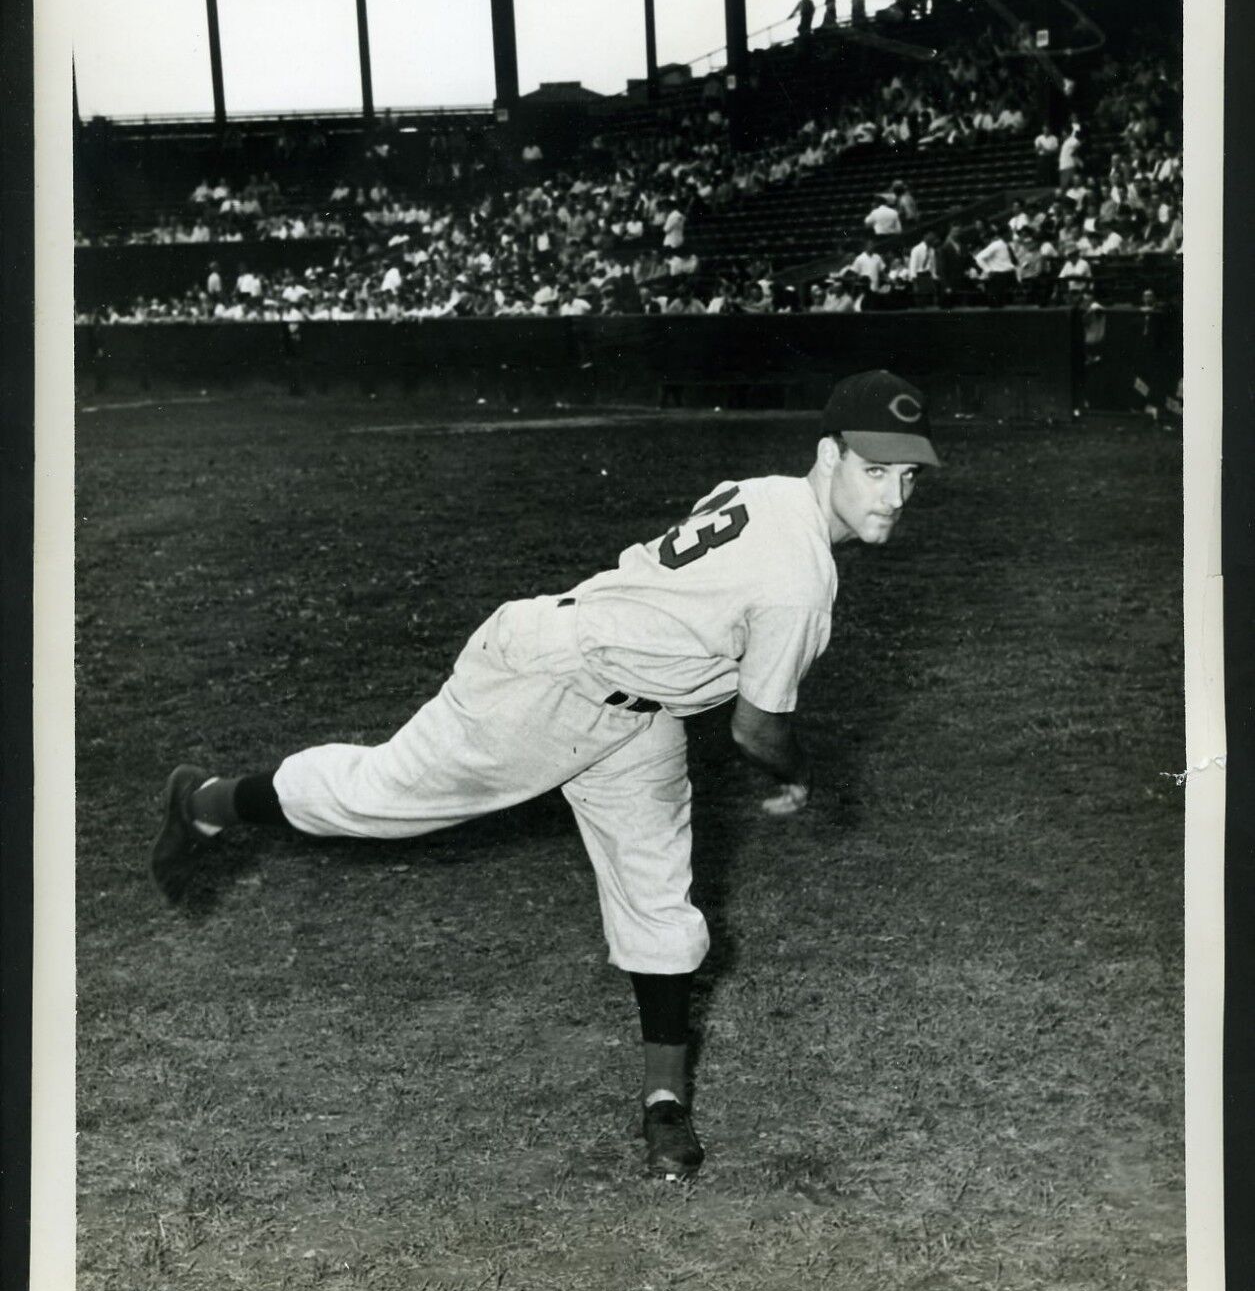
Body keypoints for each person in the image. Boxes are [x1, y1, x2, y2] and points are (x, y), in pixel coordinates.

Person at [149, 372, 941, 1182]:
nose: (893, 495)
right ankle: (205, 801)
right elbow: (756, 728)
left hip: (639, 711)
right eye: (873, 470)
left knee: (660, 896)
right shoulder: (803, 583)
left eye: (907, 474)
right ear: (828, 456)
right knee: (375, 799)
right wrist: (802, 774)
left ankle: (663, 1107)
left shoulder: (767, 493)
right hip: (547, 681)